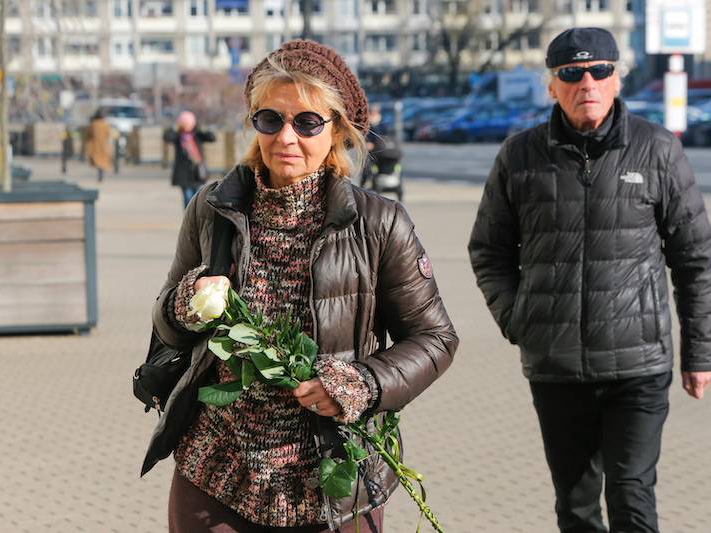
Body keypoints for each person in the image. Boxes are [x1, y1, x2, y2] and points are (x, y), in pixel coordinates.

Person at [145, 39, 458, 532]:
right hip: (216, 471)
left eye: (307, 122)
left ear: (336, 130)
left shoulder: (379, 223)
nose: (286, 137)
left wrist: (359, 384)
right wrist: (188, 303)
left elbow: (436, 339)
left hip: (330, 481)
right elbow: (165, 322)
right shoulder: (214, 208)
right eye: (270, 119)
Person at [468, 27, 711, 533]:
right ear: (552, 86)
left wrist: (701, 354)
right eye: (572, 73)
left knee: (632, 497)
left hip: (638, 365)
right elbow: (488, 250)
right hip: (556, 367)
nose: (588, 83)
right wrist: (520, 319)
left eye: (600, 71)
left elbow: (695, 259)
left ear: (617, 79)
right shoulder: (519, 157)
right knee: (576, 508)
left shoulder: (657, 150)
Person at [163, 111, 215, 208]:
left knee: (197, 197)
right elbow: (167, 136)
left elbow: (211, 137)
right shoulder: (178, 136)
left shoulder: (197, 134)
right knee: (188, 197)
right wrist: (176, 126)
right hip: (183, 173)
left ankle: (194, 218)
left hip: (197, 172)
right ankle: (189, 219)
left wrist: (200, 128)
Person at [84, 109, 112, 182]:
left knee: (98, 161)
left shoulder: (93, 124)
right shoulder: (105, 124)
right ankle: (101, 173)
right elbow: (108, 134)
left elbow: (88, 134)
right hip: (104, 146)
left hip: (95, 146)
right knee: (102, 161)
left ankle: (100, 173)